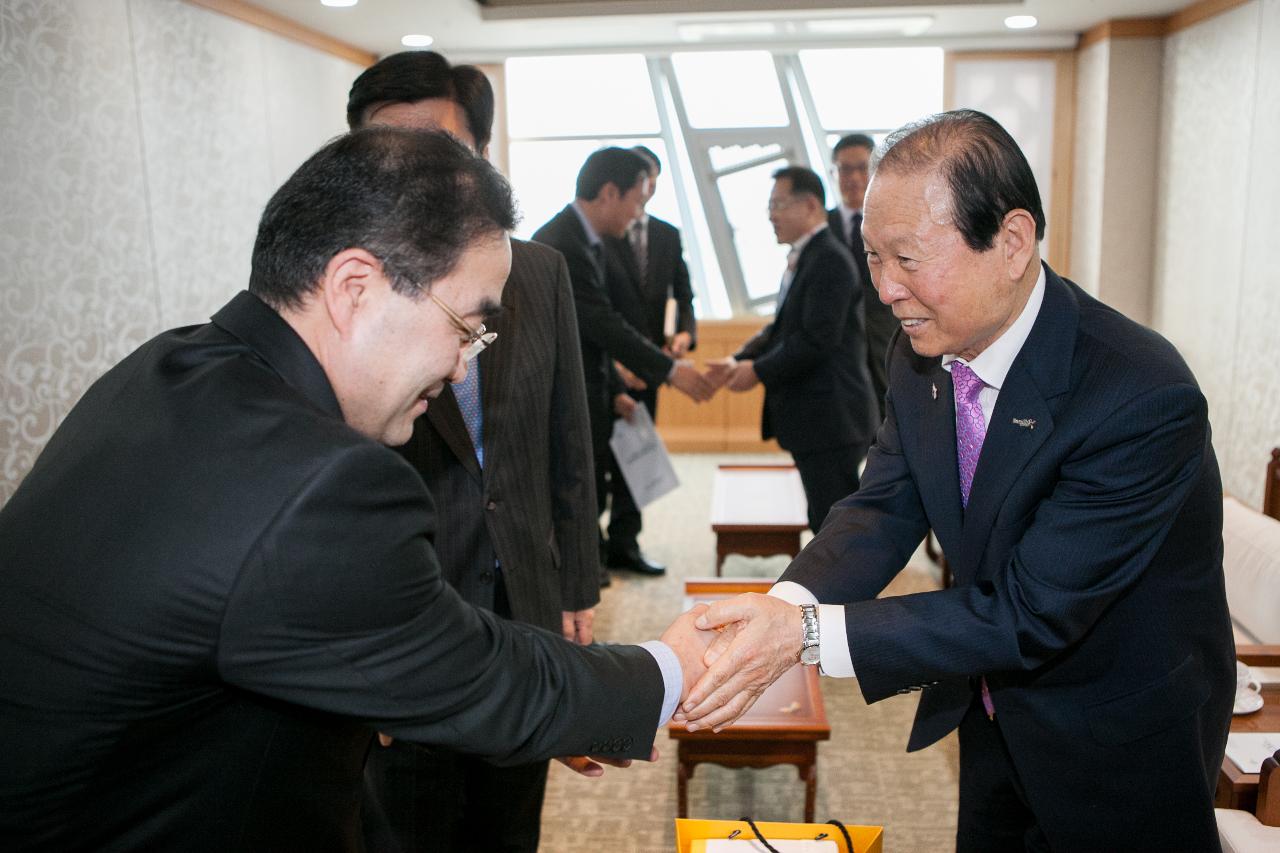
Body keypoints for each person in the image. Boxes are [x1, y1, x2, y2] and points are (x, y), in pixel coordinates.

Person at [0, 127, 714, 852]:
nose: (463, 369)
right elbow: (475, 675)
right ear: (353, 288)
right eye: (466, 326)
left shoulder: (174, 364)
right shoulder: (321, 480)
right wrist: (667, 671)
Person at [680, 110, 1235, 852]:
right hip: (987, 716)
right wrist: (782, 604)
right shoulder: (921, 356)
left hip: (1116, 739)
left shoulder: (1138, 395)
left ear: (1010, 242)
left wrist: (807, 636)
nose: (885, 289)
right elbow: (881, 506)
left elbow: (1029, 612)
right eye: (873, 257)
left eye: (907, 259)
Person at [343, 52, 600, 853]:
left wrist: (577, 584)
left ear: (479, 157)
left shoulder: (541, 272)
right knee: (411, 824)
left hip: (522, 596)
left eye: (431, 149)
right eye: (383, 153)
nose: (404, 175)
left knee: (510, 819)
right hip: (407, 621)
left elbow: (568, 435)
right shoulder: (343, 293)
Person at [533, 148, 713, 577]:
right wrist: (670, 372)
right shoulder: (564, 244)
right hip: (566, 390)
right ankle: (581, 570)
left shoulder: (587, 241)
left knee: (602, 478)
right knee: (581, 485)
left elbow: (593, 332)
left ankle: (598, 560)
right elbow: (601, 322)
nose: (638, 214)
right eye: (636, 200)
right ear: (610, 193)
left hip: (600, 382)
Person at [707, 165, 878, 533]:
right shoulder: (807, 255)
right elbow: (784, 327)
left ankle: (840, 592)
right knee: (824, 518)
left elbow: (816, 340)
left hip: (831, 418)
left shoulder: (829, 259)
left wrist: (756, 372)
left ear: (811, 205)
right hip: (815, 416)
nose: (771, 215)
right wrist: (737, 359)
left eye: (778, 204)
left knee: (834, 525)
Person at [600, 145, 697, 576]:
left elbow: (684, 294)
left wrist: (683, 336)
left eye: (654, 179)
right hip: (607, 367)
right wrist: (614, 364)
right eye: (644, 180)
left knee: (637, 459)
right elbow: (595, 312)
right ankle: (593, 545)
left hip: (652, 366)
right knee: (598, 457)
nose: (650, 187)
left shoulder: (667, 234)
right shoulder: (602, 233)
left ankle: (625, 542)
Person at [828, 133, 896, 421]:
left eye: (862, 168)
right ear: (834, 172)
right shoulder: (820, 226)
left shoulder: (895, 224)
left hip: (885, 338)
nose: (854, 177)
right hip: (835, 347)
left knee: (887, 418)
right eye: (845, 169)